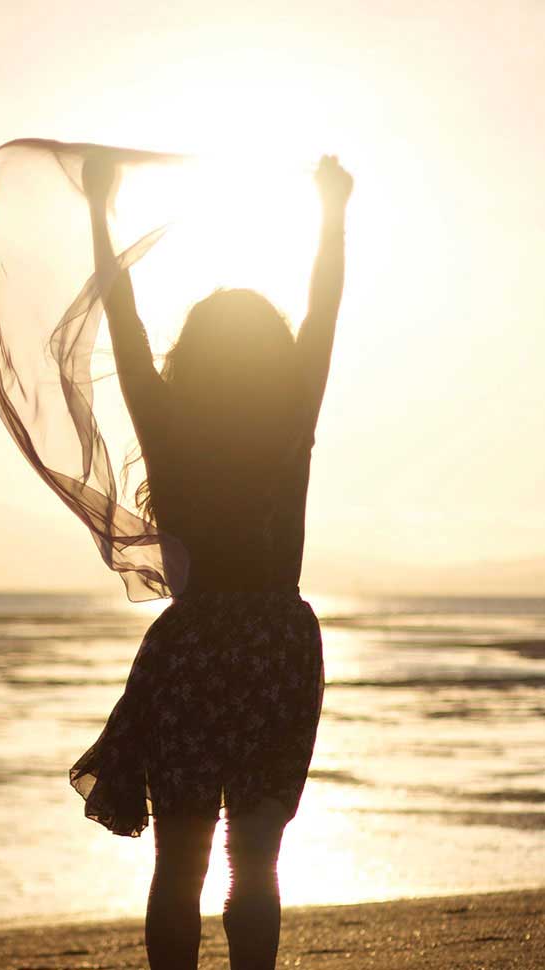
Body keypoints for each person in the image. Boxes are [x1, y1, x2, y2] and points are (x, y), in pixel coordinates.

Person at [69, 153, 353, 970]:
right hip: (276, 642)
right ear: (271, 354)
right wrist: (331, 214)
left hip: (192, 649)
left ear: (191, 355)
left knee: (180, 863)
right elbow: (323, 309)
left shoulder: (168, 421)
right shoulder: (291, 413)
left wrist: (100, 211)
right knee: (255, 860)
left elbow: (120, 319)